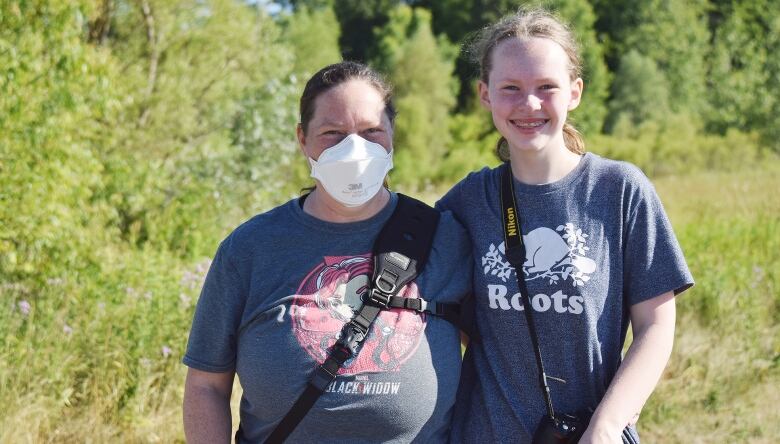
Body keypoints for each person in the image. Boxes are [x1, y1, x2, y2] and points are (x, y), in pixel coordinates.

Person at [438, 8, 694, 444]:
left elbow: (656, 326)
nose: (529, 104)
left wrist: (609, 426)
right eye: (510, 88)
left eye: (546, 87)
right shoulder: (468, 200)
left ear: (574, 92)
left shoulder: (619, 190)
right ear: (485, 95)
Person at [181, 61, 472, 443]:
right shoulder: (250, 249)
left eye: (371, 132)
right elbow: (206, 386)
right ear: (303, 139)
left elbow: (503, 358)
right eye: (333, 133)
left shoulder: (445, 238)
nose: (355, 150)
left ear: (392, 135)